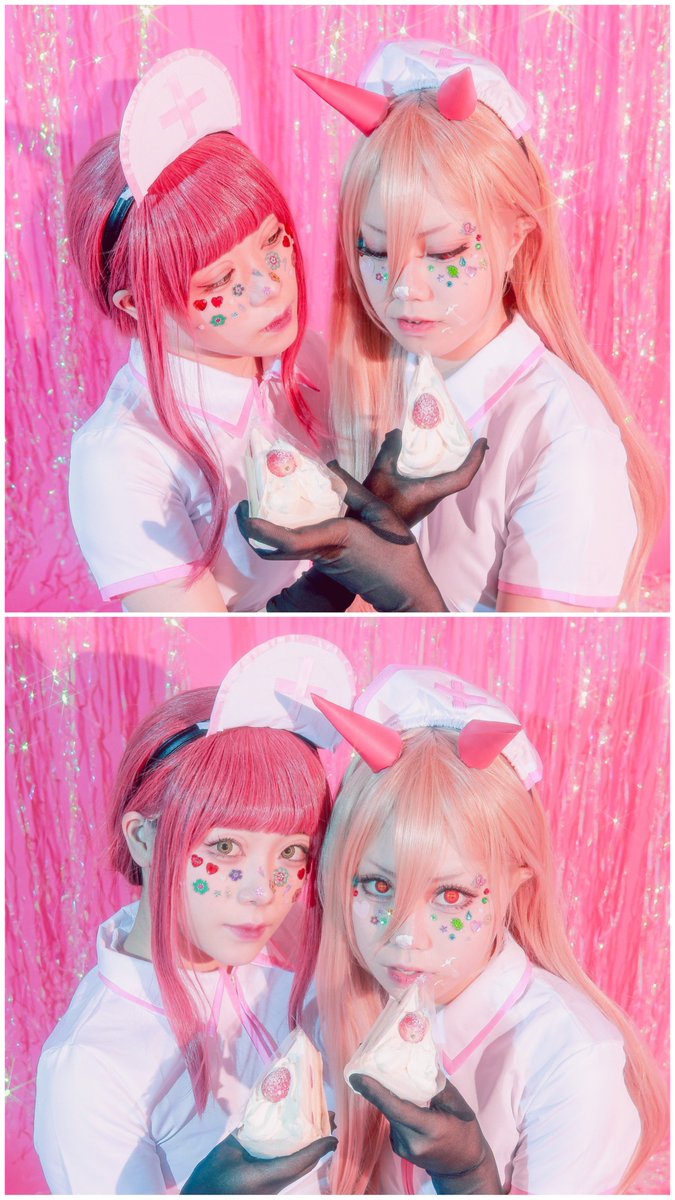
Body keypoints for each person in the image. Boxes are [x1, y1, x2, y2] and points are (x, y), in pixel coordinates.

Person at [292, 41, 665, 612]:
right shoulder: (363, 380)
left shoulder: (564, 437)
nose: (404, 288)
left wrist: (411, 598)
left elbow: (538, 641)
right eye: (376, 250)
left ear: (517, 237)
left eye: (444, 251)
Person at [311, 668, 667, 1193]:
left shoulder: (569, 1056)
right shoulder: (321, 1016)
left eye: (451, 895)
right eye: (378, 886)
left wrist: (470, 1182)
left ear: (513, 887)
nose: (408, 937)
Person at [33, 636, 352, 1193]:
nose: (263, 891)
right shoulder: (91, 1064)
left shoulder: (294, 976)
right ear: (143, 839)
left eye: (292, 852)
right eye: (225, 848)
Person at [66, 49, 334, 614]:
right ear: (137, 304)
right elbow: (202, 637)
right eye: (221, 280)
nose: (270, 286)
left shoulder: (298, 354)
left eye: (272, 241)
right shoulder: (122, 458)